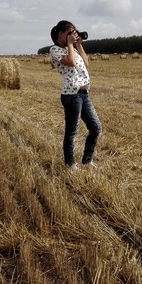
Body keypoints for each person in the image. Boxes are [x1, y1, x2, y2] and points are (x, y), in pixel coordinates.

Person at [49, 20, 102, 171]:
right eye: (70, 32)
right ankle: (70, 164)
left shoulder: (73, 48)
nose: (73, 35)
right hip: (71, 95)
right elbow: (71, 62)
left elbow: (85, 63)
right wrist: (71, 45)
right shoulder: (55, 50)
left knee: (96, 128)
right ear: (60, 34)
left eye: (74, 32)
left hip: (84, 93)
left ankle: (87, 161)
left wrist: (78, 45)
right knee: (72, 132)